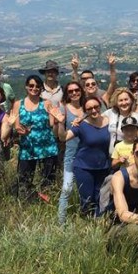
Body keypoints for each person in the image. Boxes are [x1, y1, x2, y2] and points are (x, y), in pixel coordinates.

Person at [58, 95, 111, 218]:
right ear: (85, 110)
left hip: (103, 167)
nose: (93, 110)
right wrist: (61, 123)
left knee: (100, 198)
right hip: (84, 167)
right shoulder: (81, 125)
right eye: (89, 108)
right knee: (87, 199)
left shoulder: (109, 121)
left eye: (96, 107)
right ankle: (85, 223)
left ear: (100, 106)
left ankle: (98, 223)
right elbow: (63, 137)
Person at [12, 75, 60, 202]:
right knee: (24, 179)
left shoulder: (46, 103)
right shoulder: (18, 104)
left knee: (48, 179)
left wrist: (57, 121)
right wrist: (20, 130)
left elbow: (51, 124)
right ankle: (28, 202)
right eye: (31, 85)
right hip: (28, 148)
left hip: (47, 147)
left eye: (37, 86)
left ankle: (47, 203)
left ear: (41, 89)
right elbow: (17, 126)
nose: (34, 88)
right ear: (26, 86)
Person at [56, 81, 85, 224]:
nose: (74, 93)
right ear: (67, 94)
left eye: (77, 90)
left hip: (87, 154)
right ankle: (61, 223)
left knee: (84, 190)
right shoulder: (64, 108)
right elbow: (61, 137)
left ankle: (85, 218)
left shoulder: (88, 107)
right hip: (71, 154)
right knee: (67, 189)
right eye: (71, 91)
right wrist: (61, 123)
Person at [102, 88, 138, 156]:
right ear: (116, 102)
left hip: (130, 157)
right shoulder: (110, 113)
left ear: (131, 100)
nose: (124, 103)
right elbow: (96, 119)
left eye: (126, 99)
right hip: (112, 158)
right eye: (120, 100)